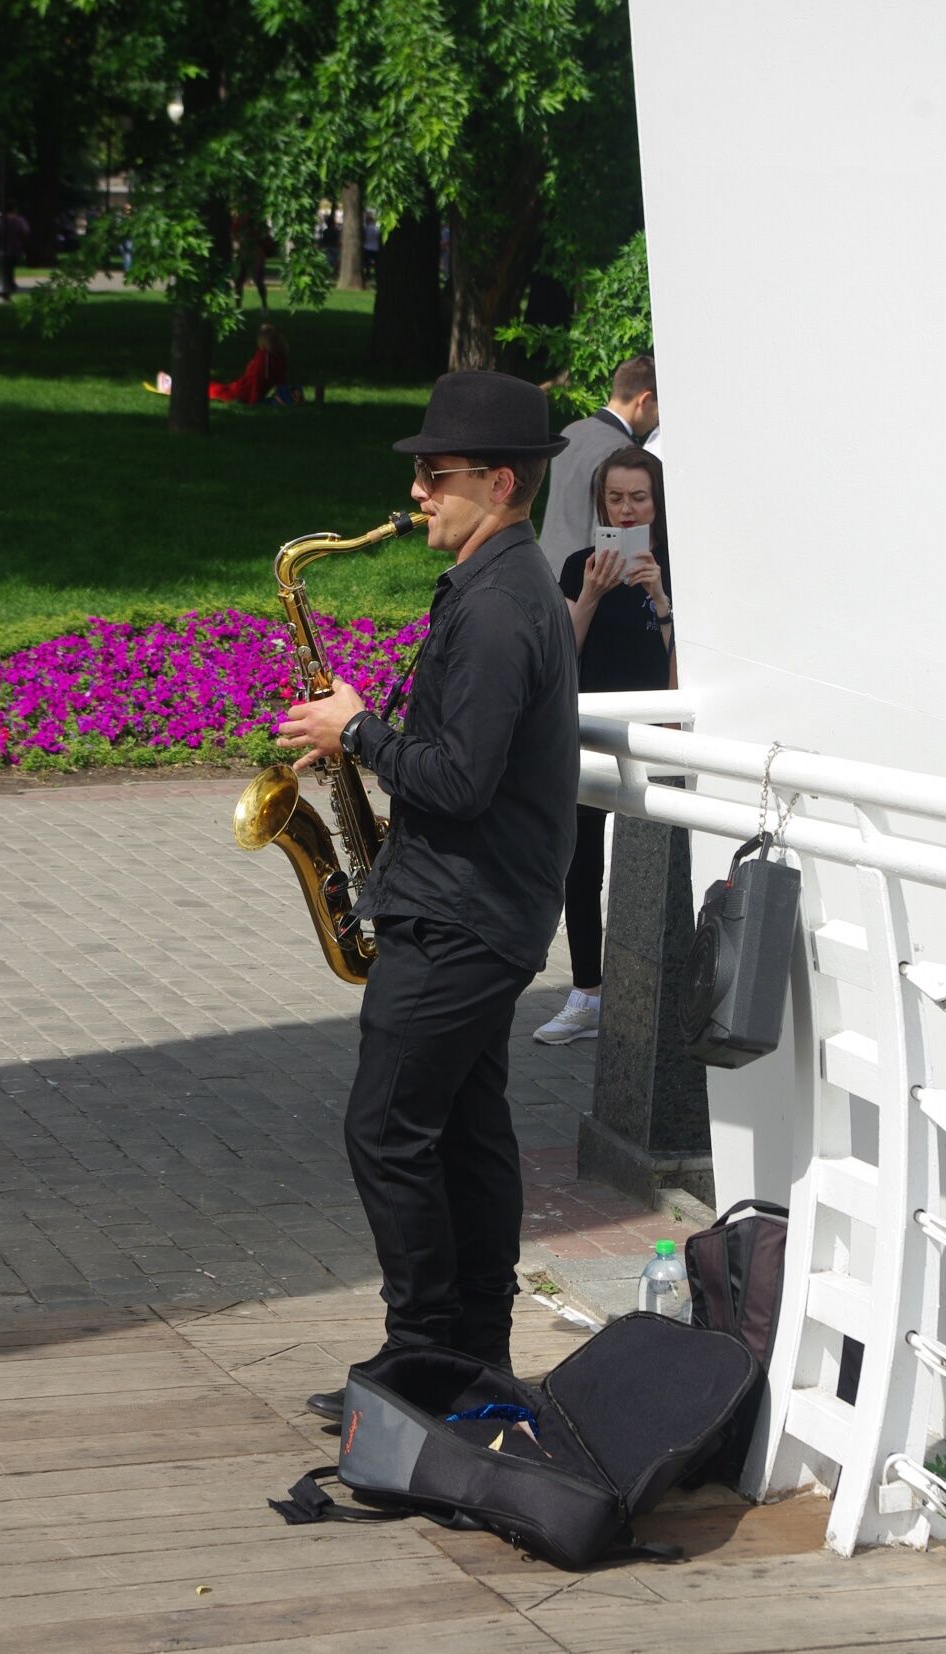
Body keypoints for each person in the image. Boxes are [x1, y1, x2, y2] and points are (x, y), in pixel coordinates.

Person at [275, 370, 579, 1415]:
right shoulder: (500, 586)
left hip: (463, 914)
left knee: (387, 1127)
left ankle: (415, 1363)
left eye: (434, 476)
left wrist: (355, 732)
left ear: (497, 483)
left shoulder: (500, 610)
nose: (416, 495)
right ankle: (473, 1358)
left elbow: (459, 777)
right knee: (466, 1130)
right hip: (472, 905)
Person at [534, 444, 674, 1045]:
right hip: (590, 727)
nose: (624, 510)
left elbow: (690, 670)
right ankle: (587, 992)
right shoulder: (579, 565)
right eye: (614, 498)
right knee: (580, 860)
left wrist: (661, 601)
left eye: (637, 498)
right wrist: (589, 593)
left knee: (657, 862)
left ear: (658, 504)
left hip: (655, 732)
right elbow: (560, 655)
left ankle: (662, 993)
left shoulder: (678, 565)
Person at [539, 355, 661, 576]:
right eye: (659, 409)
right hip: (584, 580)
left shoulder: (570, 431)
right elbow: (607, 532)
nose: (658, 419)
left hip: (546, 568)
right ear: (645, 400)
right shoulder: (621, 453)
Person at [207, 322, 288, 403]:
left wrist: (253, 400)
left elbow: (258, 378)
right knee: (216, 387)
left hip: (245, 391)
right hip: (248, 388)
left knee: (213, 389)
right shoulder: (280, 355)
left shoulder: (263, 355)